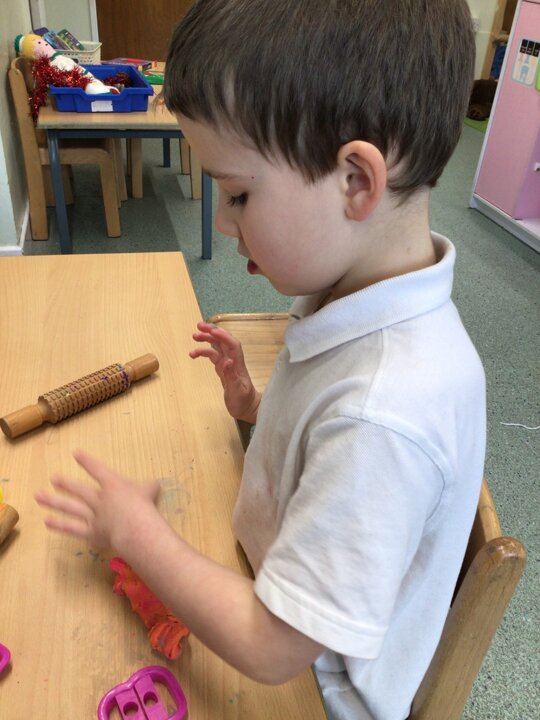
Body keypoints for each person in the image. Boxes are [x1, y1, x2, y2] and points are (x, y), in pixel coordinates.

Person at [35, 1, 486, 718]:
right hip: (271, 574)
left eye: (239, 194)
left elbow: (273, 647)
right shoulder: (357, 292)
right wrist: (258, 409)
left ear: (356, 181)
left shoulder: (385, 410)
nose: (221, 222)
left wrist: (136, 534)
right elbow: (328, 447)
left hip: (316, 689)